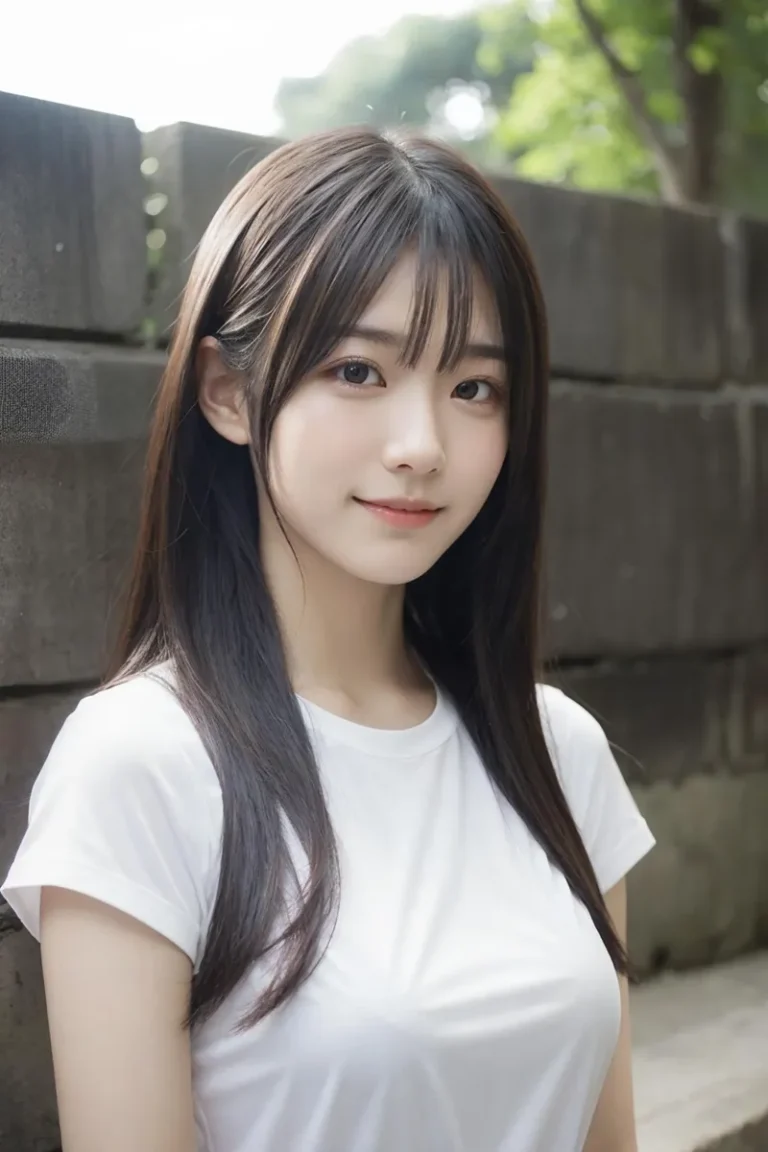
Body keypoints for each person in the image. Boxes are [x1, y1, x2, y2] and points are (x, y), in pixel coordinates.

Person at [1, 126, 654, 1152]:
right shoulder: (144, 767)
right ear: (227, 392)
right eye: (358, 371)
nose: (422, 446)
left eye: (473, 387)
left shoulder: (557, 752)